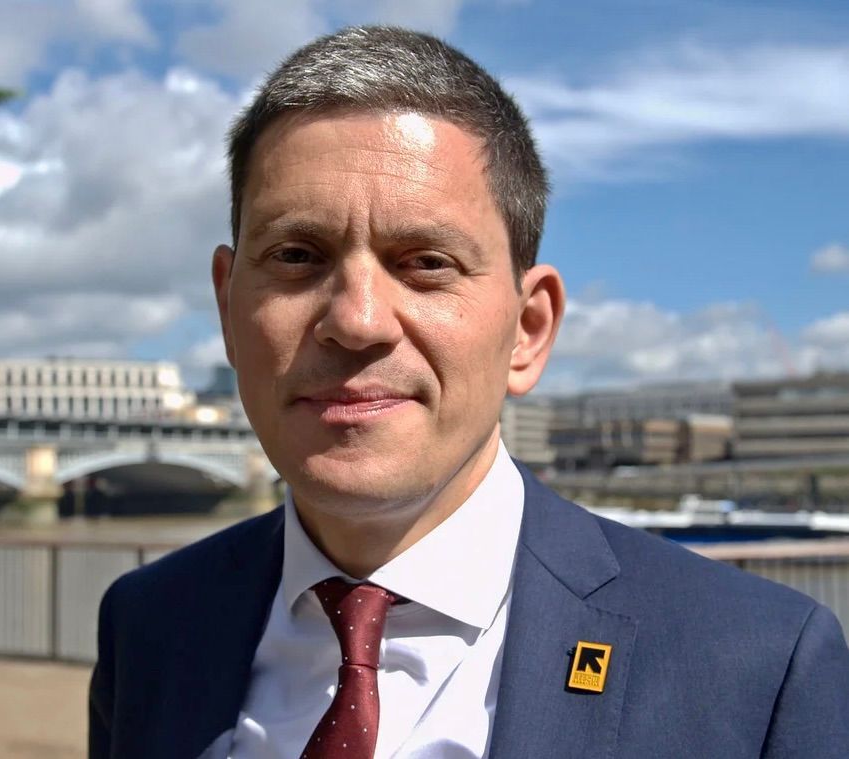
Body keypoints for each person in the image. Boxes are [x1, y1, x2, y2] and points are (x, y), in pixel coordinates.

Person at [88, 26, 849, 758]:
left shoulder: (756, 668)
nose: (355, 320)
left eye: (424, 262)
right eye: (296, 254)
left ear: (528, 328)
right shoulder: (149, 625)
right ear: (228, 307)